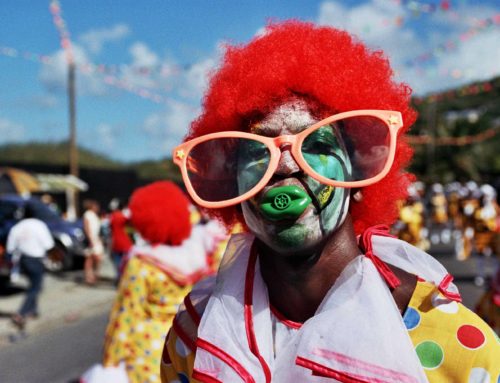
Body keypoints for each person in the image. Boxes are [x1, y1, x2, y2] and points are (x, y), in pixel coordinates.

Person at [160, 21, 499, 382]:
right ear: (234, 184)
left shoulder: (458, 348)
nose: (286, 166)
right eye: (258, 152)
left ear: (360, 173)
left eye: (317, 145)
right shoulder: (196, 336)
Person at [81, 181, 227, 383]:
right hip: (188, 340)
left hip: (150, 349)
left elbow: (126, 314)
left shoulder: (142, 263)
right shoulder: (199, 255)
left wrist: (110, 362)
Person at [6, 205, 55, 330]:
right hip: (36, 259)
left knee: (33, 285)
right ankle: (21, 313)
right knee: (35, 287)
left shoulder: (17, 227)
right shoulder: (38, 225)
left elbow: (10, 248)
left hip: (23, 260)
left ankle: (33, 311)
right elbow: (49, 244)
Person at [108, 198, 133, 283]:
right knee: (126, 263)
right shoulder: (123, 216)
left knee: (118, 263)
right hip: (126, 243)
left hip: (115, 243)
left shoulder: (112, 217)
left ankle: (119, 279)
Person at [82, 199, 104, 285]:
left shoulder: (94, 215)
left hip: (95, 238)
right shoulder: (87, 214)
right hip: (91, 239)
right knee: (90, 258)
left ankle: (95, 274)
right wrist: (90, 239)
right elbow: (87, 228)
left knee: (95, 258)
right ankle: (89, 276)